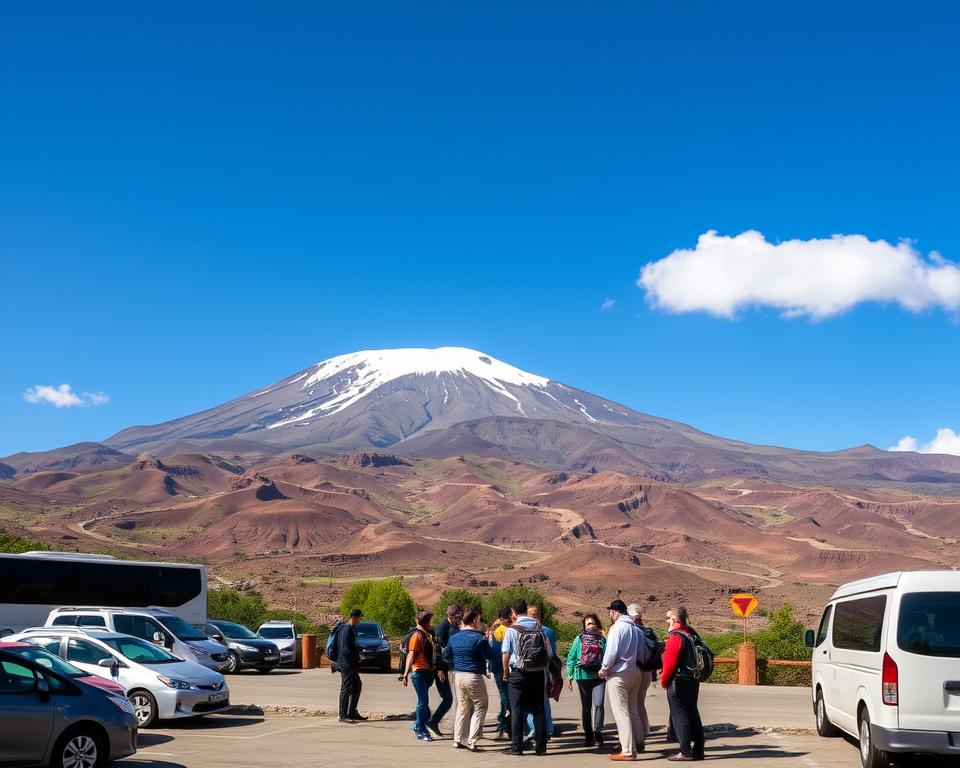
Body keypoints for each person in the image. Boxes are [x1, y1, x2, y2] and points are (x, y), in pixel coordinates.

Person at [501, 598, 552, 755]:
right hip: (537, 672)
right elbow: (548, 651)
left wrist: (506, 673)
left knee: (517, 710)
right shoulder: (539, 627)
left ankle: (517, 747)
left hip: (518, 673)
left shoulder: (512, 629)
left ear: (513, 612)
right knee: (539, 708)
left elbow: (506, 654)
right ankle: (541, 747)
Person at [444, 608, 497, 751]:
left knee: (462, 707)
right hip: (473, 676)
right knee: (481, 706)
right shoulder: (479, 639)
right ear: (474, 620)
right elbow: (491, 655)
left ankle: (458, 739)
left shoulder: (454, 637)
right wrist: (489, 641)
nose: (480, 623)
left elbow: (446, 656)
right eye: (479, 620)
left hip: (458, 675)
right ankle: (472, 740)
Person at [600, 599, 642, 761]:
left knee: (621, 713)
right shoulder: (634, 628)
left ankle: (628, 750)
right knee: (632, 711)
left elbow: (611, 652)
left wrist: (604, 669)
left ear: (614, 612)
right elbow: (642, 652)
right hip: (634, 671)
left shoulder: (617, 628)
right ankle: (636, 744)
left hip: (619, 674)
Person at [661, 607, 705, 762]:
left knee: (679, 715)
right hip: (693, 679)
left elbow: (669, 663)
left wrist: (664, 681)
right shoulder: (691, 633)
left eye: (669, 618)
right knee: (693, 712)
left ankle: (685, 751)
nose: (667, 621)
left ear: (675, 620)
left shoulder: (676, 636)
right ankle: (698, 749)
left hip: (678, 681)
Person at [566, 613, 607, 747]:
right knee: (586, 707)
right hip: (582, 677)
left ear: (597, 624)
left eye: (593, 623)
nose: (591, 626)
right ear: (584, 625)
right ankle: (589, 735)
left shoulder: (602, 640)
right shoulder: (579, 639)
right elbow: (571, 657)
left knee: (599, 704)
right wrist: (570, 676)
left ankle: (598, 732)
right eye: (588, 623)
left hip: (598, 676)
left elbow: (608, 656)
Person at [428, 603, 463, 738]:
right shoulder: (442, 627)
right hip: (441, 669)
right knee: (447, 699)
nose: (460, 618)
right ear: (451, 615)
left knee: (450, 699)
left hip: (450, 668)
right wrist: (439, 670)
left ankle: (436, 722)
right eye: (458, 615)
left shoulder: (454, 626)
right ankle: (433, 722)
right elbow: (437, 652)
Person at [402, 610, 436, 742]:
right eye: (428, 620)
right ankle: (420, 728)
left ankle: (419, 725)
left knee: (423, 703)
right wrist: (405, 674)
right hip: (419, 672)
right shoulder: (417, 636)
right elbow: (411, 655)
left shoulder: (426, 634)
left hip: (427, 672)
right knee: (423, 703)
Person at [525, 604, 558, 740]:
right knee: (544, 700)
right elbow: (551, 654)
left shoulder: (522, 630)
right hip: (543, 668)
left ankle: (533, 729)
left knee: (529, 701)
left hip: (526, 668)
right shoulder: (548, 631)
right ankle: (549, 728)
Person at [627, 604, 654, 747]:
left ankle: (639, 733)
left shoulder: (634, 631)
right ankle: (645, 730)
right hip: (647, 670)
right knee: (640, 702)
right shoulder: (646, 630)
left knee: (633, 705)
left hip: (637, 669)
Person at [336, 608, 366, 723]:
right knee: (346, 689)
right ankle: (343, 715)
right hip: (346, 664)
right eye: (359, 618)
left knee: (357, 685)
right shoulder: (346, 629)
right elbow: (345, 649)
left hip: (350, 663)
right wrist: (357, 656)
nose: (360, 620)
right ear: (354, 617)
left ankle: (352, 711)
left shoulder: (350, 628)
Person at [489, 607, 513, 740]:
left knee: (506, 697)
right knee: (506, 697)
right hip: (502, 668)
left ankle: (505, 726)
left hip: (500, 668)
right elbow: (498, 651)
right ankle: (503, 727)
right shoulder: (501, 631)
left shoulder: (498, 631)